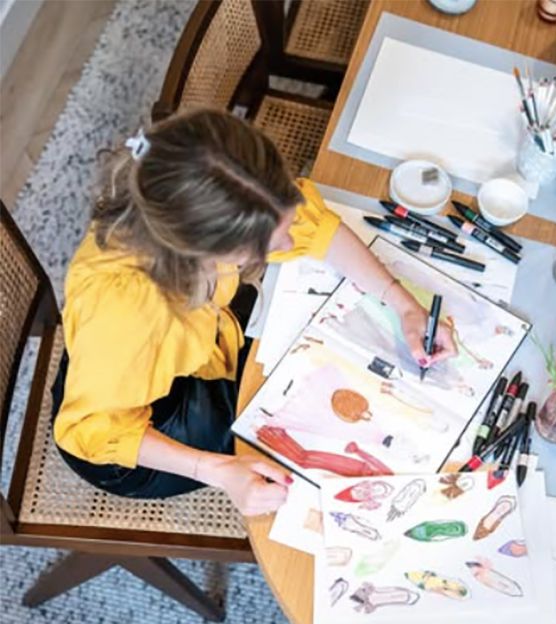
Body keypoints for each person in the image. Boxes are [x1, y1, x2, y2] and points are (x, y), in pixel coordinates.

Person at [52, 109, 455, 516]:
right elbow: (92, 429)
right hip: (129, 434)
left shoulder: (220, 194)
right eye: (268, 246)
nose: (288, 245)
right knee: (299, 429)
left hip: (179, 355)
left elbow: (316, 230)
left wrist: (403, 304)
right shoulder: (129, 315)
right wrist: (220, 471)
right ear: (207, 252)